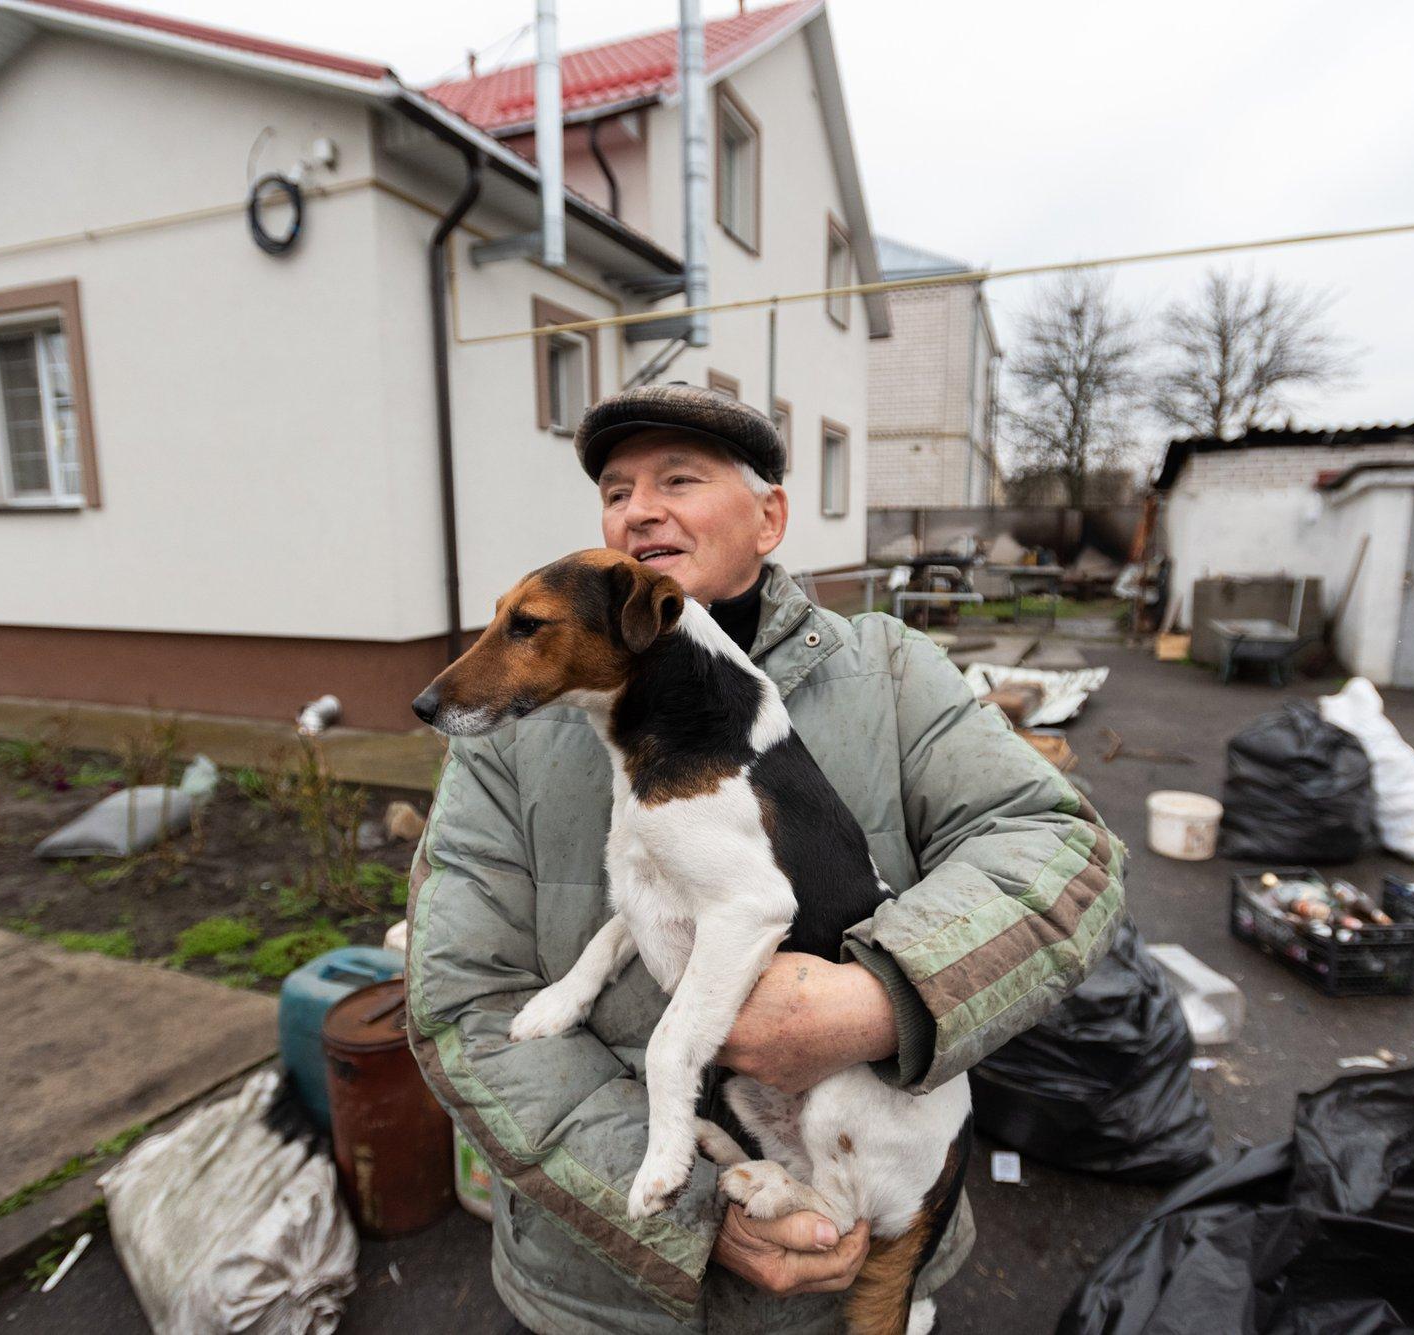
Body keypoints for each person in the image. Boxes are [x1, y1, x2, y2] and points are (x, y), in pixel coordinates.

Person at [406, 383, 1125, 1334]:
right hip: (604, 1290)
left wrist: (889, 996)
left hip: (860, 1233)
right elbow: (461, 1002)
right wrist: (683, 1210)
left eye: (678, 478)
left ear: (770, 515)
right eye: (616, 489)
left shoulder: (893, 674)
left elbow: (1065, 855)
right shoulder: (512, 730)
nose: (638, 508)